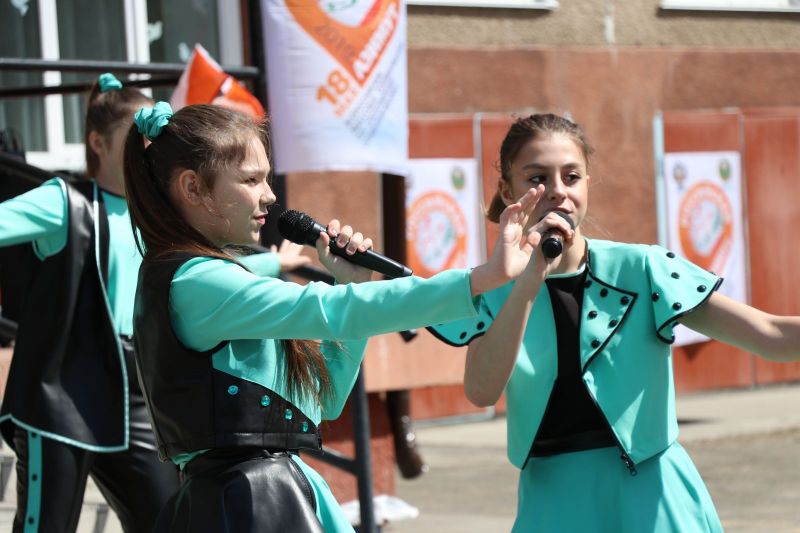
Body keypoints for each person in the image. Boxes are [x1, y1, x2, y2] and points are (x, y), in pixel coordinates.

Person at [122, 102, 541, 533]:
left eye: (267, 177)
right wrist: (482, 277)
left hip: (259, 494)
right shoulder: (197, 283)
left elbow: (324, 400)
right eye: (250, 179)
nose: (269, 195)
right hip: (249, 502)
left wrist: (350, 284)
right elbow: (333, 311)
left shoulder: (207, 278)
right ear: (192, 187)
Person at [429, 113, 800, 533]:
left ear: (587, 183)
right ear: (506, 190)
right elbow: (481, 391)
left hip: (654, 501)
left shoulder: (642, 268)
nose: (558, 191)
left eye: (571, 177)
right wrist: (528, 280)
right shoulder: (490, 289)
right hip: (553, 505)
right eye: (537, 178)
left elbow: (770, 335)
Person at [0, 73, 181, 532]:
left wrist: (273, 264)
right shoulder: (65, 202)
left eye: (154, 136)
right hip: (62, 399)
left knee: (170, 522)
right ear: (98, 143)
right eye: (137, 135)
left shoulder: (158, 215)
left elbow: (202, 271)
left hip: (137, 397)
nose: (148, 147)